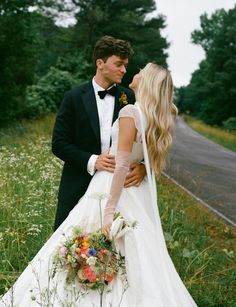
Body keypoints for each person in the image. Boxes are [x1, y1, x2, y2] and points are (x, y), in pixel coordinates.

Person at [0, 63, 198, 307]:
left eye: (140, 71)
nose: (132, 72)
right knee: (139, 251)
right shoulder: (154, 114)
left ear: (146, 82)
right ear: (100, 62)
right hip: (136, 193)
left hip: (112, 187)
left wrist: (108, 210)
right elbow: (148, 153)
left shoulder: (130, 111)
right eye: (122, 64)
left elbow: (123, 164)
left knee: (102, 239)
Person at [52, 35, 146, 230]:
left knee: (112, 250)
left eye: (125, 65)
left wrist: (144, 166)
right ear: (100, 63)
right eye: (119, 64)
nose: (124, 70)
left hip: (118, 191)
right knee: (66, 248)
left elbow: (146, 139)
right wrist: (94, 161)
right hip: (76, 185)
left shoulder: (129, 97)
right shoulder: (73, 97)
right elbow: (59, 144)